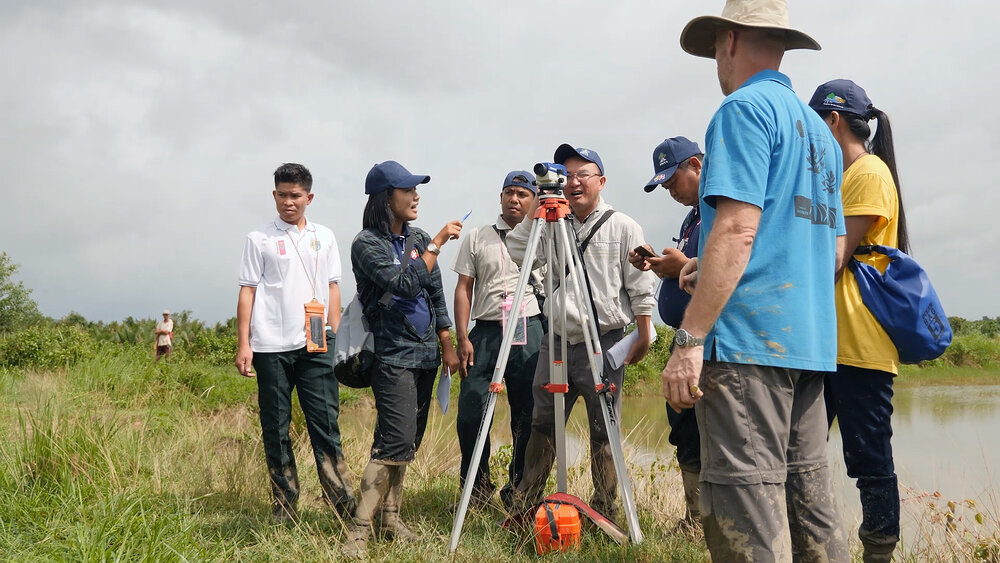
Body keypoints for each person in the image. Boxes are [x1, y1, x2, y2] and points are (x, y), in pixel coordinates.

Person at [663, 1, 851, 559]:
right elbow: (829, 247)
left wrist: (691, 340)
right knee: (812, 510)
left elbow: (740, 229)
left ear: (729, 41)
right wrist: (710, 269)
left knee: (746, 514)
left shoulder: (741, 111)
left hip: (748, 347)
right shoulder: (819, 132)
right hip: (809, 346)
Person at [504, 144, 657, 520]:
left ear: (601, 181)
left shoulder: (623, 225)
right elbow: (518, 252)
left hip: (603, 341)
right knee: (542, 424)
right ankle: (527, 506)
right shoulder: (553, 222)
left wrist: (645, 332)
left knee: (603, 429)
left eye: (582, 174)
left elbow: (640, 285)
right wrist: (537, 210)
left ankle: (605, 511)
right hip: (555, 340)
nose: (573, 182)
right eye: (567, 175)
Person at [808, 79, 909, 563]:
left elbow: (834, 258)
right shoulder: (845, 176)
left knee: (869, 459)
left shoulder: (868, 172)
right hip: (830, 341)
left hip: (861, 344)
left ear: (831, 121)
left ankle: (879, 553)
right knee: (801, 452)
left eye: (813, 126)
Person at [342, 160, 462, 558]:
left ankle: (391, 519)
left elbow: (434, 293)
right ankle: (358, 532)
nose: (416, 196)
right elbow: (406, 283)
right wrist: (437, 244)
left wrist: (447, 342)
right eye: (407, 190)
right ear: (385, 198)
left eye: (416, 189)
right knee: (392, 440)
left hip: (427, 354)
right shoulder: (367, 244)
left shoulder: (419, 237)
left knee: (408, 441)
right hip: (392, 354)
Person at [235, 162, 353, 524]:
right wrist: (244, 344)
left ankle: (343, 503)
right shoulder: (259, 238)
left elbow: (334, 287)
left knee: (325, 424)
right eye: (282, 195)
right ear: (274, 195)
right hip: (270, 346)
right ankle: (284, 504)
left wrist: (336, 334)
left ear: (309, 197)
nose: (289, 202)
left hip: (316, 344)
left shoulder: (325, 236)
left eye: (296, 196)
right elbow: (247, 291)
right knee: (276, 425)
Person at [451, 170, 544, 508]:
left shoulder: (543, 236)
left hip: (528, 326)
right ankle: (475, 489)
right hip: (486, 331)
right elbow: (463, 288)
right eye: (509, 193)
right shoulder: (478, 237)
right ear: (501, 197)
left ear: (534, 200)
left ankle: (519, 489)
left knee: (528, 411)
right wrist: (463, 337)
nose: (515, 199)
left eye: (523, 194)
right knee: (472, 410)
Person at [628, 136, 704, 534]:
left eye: (673, 181)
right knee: (684, 428)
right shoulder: (692, 217)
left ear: (695, 164)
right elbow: (689, 268)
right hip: (682, 337)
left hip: (710, 341)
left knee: (712, 433)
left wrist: (685, 263)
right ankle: (694, 519)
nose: (670, 192)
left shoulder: (721, 206)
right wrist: (661, 264)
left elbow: (738, 261)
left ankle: (716, 520)